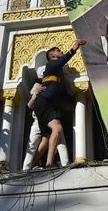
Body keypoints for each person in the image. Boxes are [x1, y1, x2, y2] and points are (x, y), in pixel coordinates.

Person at [31, 39, 86, 167]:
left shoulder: (57, 72)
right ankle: (49, 162)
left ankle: (33, 164)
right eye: (58, 50)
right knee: (58, 128)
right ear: (53, 56)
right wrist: (74, 48)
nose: (61, 51)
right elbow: (62, 61)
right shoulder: (51, 65)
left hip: (49, 104)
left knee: (46, 137)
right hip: (44, 102)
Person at [22, 65, 69, 170]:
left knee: (52, 140)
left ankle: (65, 164)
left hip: (51, 116)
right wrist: (36, 94)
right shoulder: (38, 85)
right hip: (38, 119)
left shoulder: (55, 85)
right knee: (33, 144)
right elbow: (29, 105)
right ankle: (26, 168)